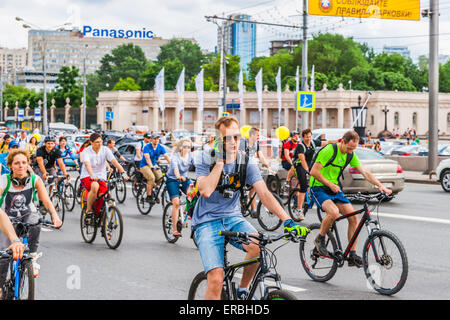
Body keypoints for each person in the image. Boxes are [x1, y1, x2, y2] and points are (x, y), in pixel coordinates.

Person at [192, 116, 309, 300]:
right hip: (207, 221)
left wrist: (288, 220)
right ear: (217, 140)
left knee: (257, 246)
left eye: (236, 137)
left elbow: (264, 194)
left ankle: (243, 290)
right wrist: (220, 162)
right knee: (216, 279)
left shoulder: (246, 162)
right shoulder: (206, 158)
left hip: (233, 218)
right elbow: (205, 190)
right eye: (227, 138)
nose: (233, 142)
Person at [309, 130, 392, 267]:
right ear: (342, 141)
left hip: (334, 188)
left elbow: (364, 172)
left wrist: (380, 186)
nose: (350, 151)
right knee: (334, 212)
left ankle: (352, 254)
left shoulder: (350, 154)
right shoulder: (329, 150)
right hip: (318, 187)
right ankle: (320, 238)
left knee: (353, 218)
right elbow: (314, 172)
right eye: (348, 148)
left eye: (353, 149)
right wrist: (330, 184)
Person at [0, 149, 63, 286]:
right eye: (17, 163)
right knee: (4, 256)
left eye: (24, 162)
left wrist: (55, 216)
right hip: (6, 219)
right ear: (10, 166)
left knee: (35, 220)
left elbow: (46, 201)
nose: (21, 166)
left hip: (27, 215)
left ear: (28, 164)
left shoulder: (35, 180)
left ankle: (33, 256)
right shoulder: (4, 180)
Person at [292, 128, 336, 220]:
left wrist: (339, 141)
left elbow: (327, 142)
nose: (308, 138)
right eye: (306, 137)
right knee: (303, 186)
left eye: (310, 136)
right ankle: (299, 210)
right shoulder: (300, 146)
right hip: (299, 165)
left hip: (309, 165)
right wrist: (308, 171)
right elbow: (302, 160)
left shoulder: (313, 142)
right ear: (303, 137)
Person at [80, 133, 128, 218]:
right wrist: (91, 175)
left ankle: (99, 216)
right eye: (97, 142)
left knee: (103, 195)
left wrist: (123, 172)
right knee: (95, 186)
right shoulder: (86, 151)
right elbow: (87, 164)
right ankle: (89, 210)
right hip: (88, 175)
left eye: (101, 142)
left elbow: (114, 161)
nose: (99, 144)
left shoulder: (105, 149)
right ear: (91, 142)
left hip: (101, 176)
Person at [239, 127, 275, 217]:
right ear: (252, 135)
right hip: (242, 168)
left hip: (251, 168)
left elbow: (261, 156)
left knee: (254, 187)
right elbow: (242, 156)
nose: (259, 137)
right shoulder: (244, 142)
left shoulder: (256, 144)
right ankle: (238, 203)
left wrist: (268, 167)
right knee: (239, 188)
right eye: (258, 135)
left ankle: (253, 209)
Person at [166, 139, 195, 237]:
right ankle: (175, 230)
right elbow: (175, 168)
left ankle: (187, 209)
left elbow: (198, 166)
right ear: (181, 148)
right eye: (185, 146)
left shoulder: (191, 156)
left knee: (193, 195)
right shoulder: (175, 156)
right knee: (176, 203)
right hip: (173, 179)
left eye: (189, 147)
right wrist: (178, 176)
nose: (187, 149)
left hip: (184, 179)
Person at [140, 133, 171, 204]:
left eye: (157, 139)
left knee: (161, 178)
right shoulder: (147, 147)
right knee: (151, 178)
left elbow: (166, 156)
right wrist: (151, 166)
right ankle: (148, 196)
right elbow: (147, 158)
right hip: (145, 165)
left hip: (154, 164)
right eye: (154, 139)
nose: (156, 140)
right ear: (151, 140)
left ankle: (153, 189)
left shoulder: (160, 147)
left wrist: (172, 164)